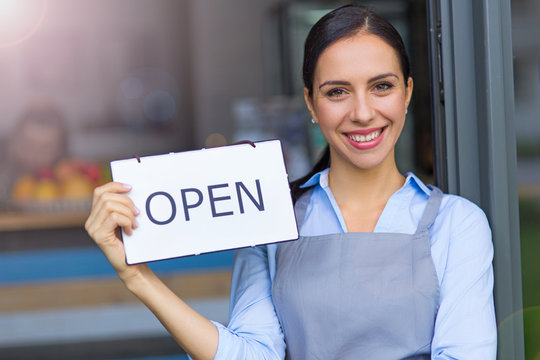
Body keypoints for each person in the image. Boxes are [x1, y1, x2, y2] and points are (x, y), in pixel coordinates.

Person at [85, 5, 497, 359]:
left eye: (381, 87)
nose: (363, 112)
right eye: (337, 92)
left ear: (407, 93)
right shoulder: (270, 220)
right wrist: (137, 277)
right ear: (311, 105)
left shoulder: (457, 224)